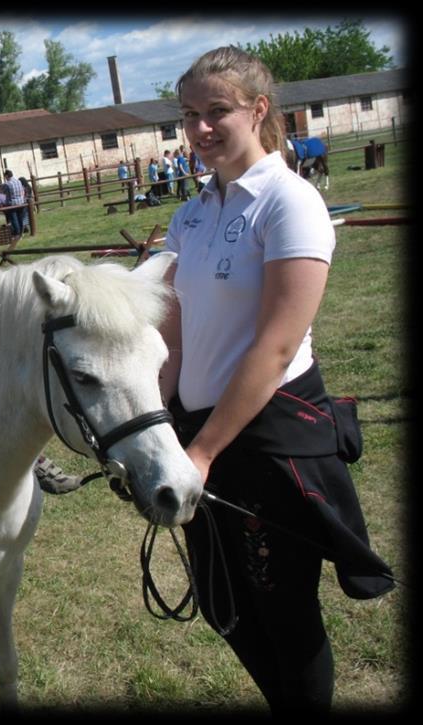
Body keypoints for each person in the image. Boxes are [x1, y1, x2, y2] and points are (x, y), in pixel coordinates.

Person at [160, 46, 394, 713]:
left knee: (282, 611)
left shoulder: (289, 202)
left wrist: (202, 450)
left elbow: (276, 342)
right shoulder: (191, 212)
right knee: (220, 601)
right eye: (188, 116)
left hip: (267, 437)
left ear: (257, 110)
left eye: (215, 112)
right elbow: (173, 331)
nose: (199, 130)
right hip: (200, 432)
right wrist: (156, 420)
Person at [2, 170, 25, 238]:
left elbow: (4, 192)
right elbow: (22, 191)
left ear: (6, 176)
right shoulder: (19, 181)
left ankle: (17, 234)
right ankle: (21, 233)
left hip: (12, 203)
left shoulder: (7, 184)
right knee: (20, 218)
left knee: (14, 219)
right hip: (21, 202)